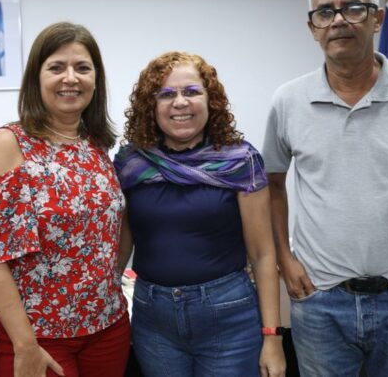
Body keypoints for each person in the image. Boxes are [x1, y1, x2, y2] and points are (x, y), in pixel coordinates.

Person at [262, 0, 388, 377]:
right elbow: (273, 185)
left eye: (353, 8)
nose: (338, 20)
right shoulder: (289, 101)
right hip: (320, 301)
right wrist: (285, 259)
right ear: (312, 27)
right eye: (325, 12)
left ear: (377, 18)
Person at [0, 22, 130, 377]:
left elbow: (113, 229)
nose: (70, 78)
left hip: (108, 327)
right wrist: (25, 344)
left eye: (82, 68)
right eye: (56, 67)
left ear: (96, 79)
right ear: (36, 78)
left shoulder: (96, 144)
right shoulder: (10, 144)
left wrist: (106, 283)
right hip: (39, 337)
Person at [114, 51, 286, 377]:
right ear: (151, 106)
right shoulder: (131, 162)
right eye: (166, 94)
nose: (180, 102)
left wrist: (272, 337)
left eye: (192, 91)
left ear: (211, 101)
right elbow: (122, 244)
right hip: (154, 321)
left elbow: (264, 255)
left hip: (229, 317)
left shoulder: (240, 161)